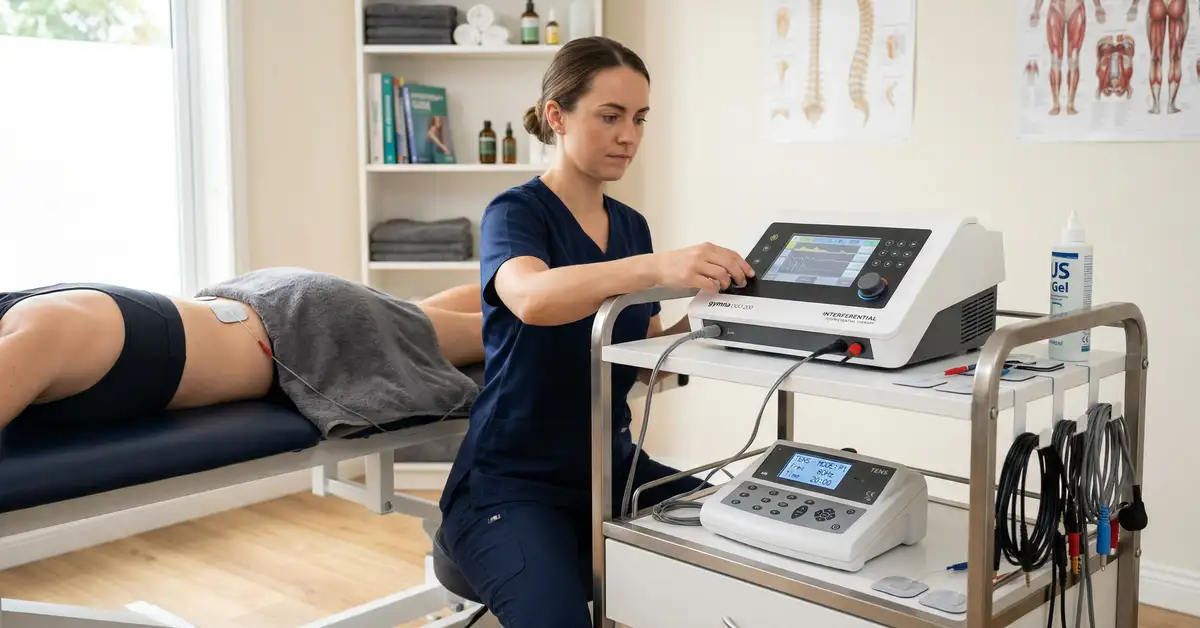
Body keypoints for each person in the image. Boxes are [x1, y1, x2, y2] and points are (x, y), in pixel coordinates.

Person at [437, 36, 755, 627]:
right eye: (609, 117)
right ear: (557, 115)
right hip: (511, 486)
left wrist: (721, 311)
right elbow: (531, 298)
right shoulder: (516, 213)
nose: (628, 135)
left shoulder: (631, 226)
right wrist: (660, 268)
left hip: (613, 469)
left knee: (756, 540)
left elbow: (645, 345)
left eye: (639, 119)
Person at [0, 270, 486, 434]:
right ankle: (526, 278)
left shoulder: (36, 333)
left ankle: (545, 283)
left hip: (308, 325)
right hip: (269, 300)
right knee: (420, 315)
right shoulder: (31, 315)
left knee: (490, 333)